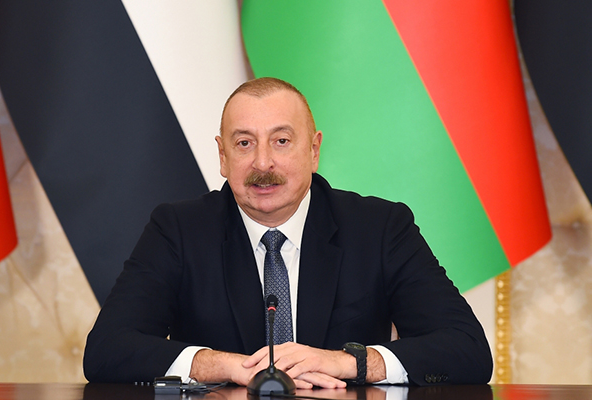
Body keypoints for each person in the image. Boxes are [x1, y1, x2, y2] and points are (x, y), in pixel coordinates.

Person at [83, 77, 493, 387]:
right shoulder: (178, 230)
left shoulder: (380, 227)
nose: (263, 163)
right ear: (223, 156)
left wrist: (349, 362)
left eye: (281, 141)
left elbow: (468, 349)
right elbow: (106, 351)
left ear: (313, 150)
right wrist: (224, 366)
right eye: (244, 144)